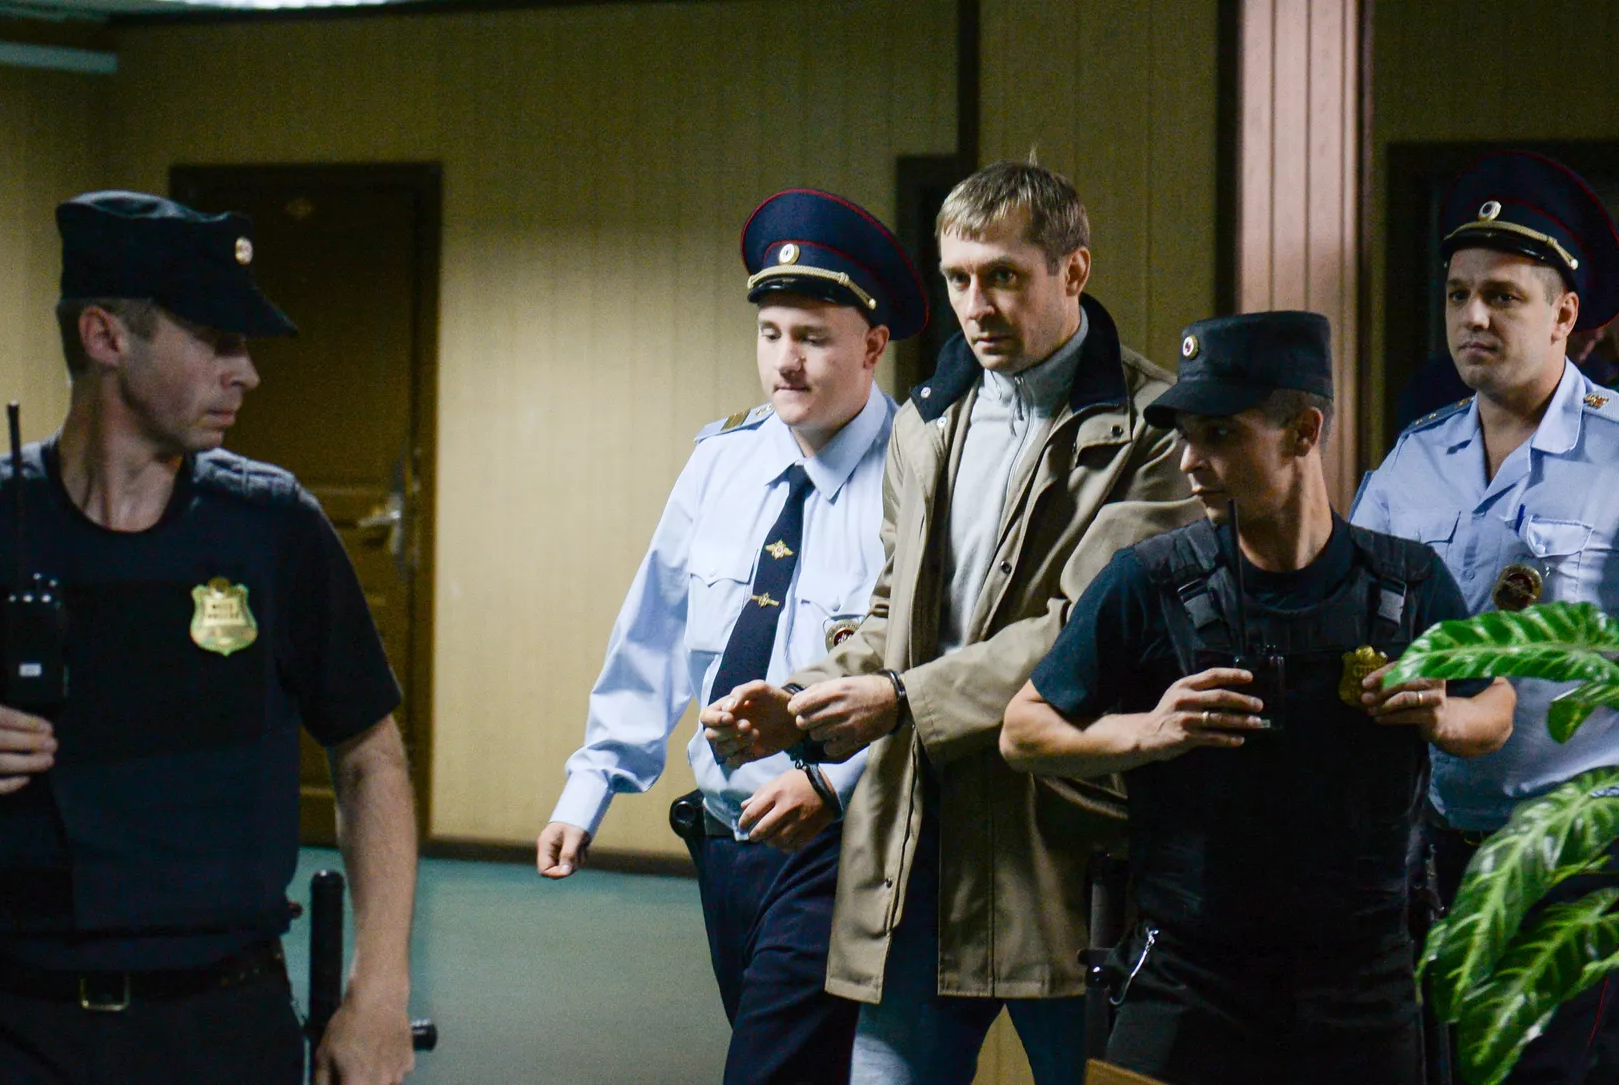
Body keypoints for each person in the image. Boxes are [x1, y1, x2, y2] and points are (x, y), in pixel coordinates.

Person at [0, 191, 419, 1085]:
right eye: (216, 341)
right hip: (4, 1030)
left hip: (221, 1028)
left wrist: (378, 990)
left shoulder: (274, 529)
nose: (247, 372)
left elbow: (370, 758)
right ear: (105, 336)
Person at [702, 161, 1196, 1085]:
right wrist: (798, 701)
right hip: (919, 844)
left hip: (1062, 845)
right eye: (959, 278)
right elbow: (891, 615)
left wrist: (898, 700)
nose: (976, 306)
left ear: (1074, 271)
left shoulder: (1155, 430)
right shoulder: (928, 422)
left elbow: (1086, 633)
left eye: (1004, 276)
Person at [1000, 310, 1514, 1085]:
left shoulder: (1406, 585)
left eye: (1218, 435)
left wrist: (1442, 713)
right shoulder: (1150, 580)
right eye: (1185, 436)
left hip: (1363, 989)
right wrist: (1148, 731)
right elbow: (1021, 730)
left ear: (1304, 431)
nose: (1189, 461)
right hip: (1192, 978)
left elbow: (1496, 707)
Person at [536, 188, 929, 1085]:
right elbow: (654, 631)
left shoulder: (919, 473)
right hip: (724, 838)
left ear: (873, 344)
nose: (785, 361)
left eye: (812, 338)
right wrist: (589, 786)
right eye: (770, 333)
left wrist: (832, 780)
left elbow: (926, 674)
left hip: (843, 841)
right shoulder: (722, 460)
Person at [1351, 149, 1619, 1083]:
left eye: (1503, 296)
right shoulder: (1415, 458)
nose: (1473, 317)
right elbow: (1358, 613)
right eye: (1459, 294)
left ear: (1565, 315)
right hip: (1437, 853)